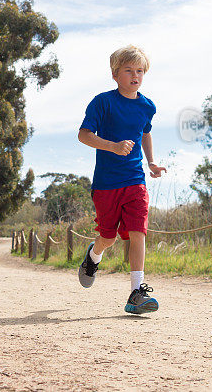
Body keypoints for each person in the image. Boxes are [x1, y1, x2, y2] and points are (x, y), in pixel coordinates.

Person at [77, 45, 166, 314]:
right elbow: (83, 135)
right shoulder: (102, 102)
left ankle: (136, 292)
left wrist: (150, 161)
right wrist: (113, 146)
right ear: (115, 74)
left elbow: (145, 133)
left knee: (138, 232)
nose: (135, 75)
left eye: (140, 71)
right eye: (129, 70)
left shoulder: (147, 106)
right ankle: (94, 255)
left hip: (135, 180)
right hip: (106, 183)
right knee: (109, 237)